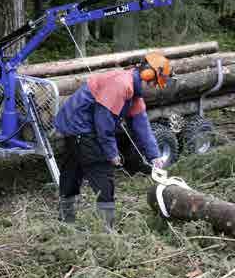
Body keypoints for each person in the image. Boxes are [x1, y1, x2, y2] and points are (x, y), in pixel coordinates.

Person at [54, 52, 172, 230]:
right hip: (79, 125)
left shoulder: (134, 93)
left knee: (72, 169)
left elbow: (142, 125)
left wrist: (154, 156)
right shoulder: (121, 84)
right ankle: (106, 231)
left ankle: (66, 221)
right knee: (100, 170)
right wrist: (112, 153)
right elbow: (104, 124)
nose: (154, 88)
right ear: (147, 75)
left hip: (82, 124)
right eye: (155, 83)